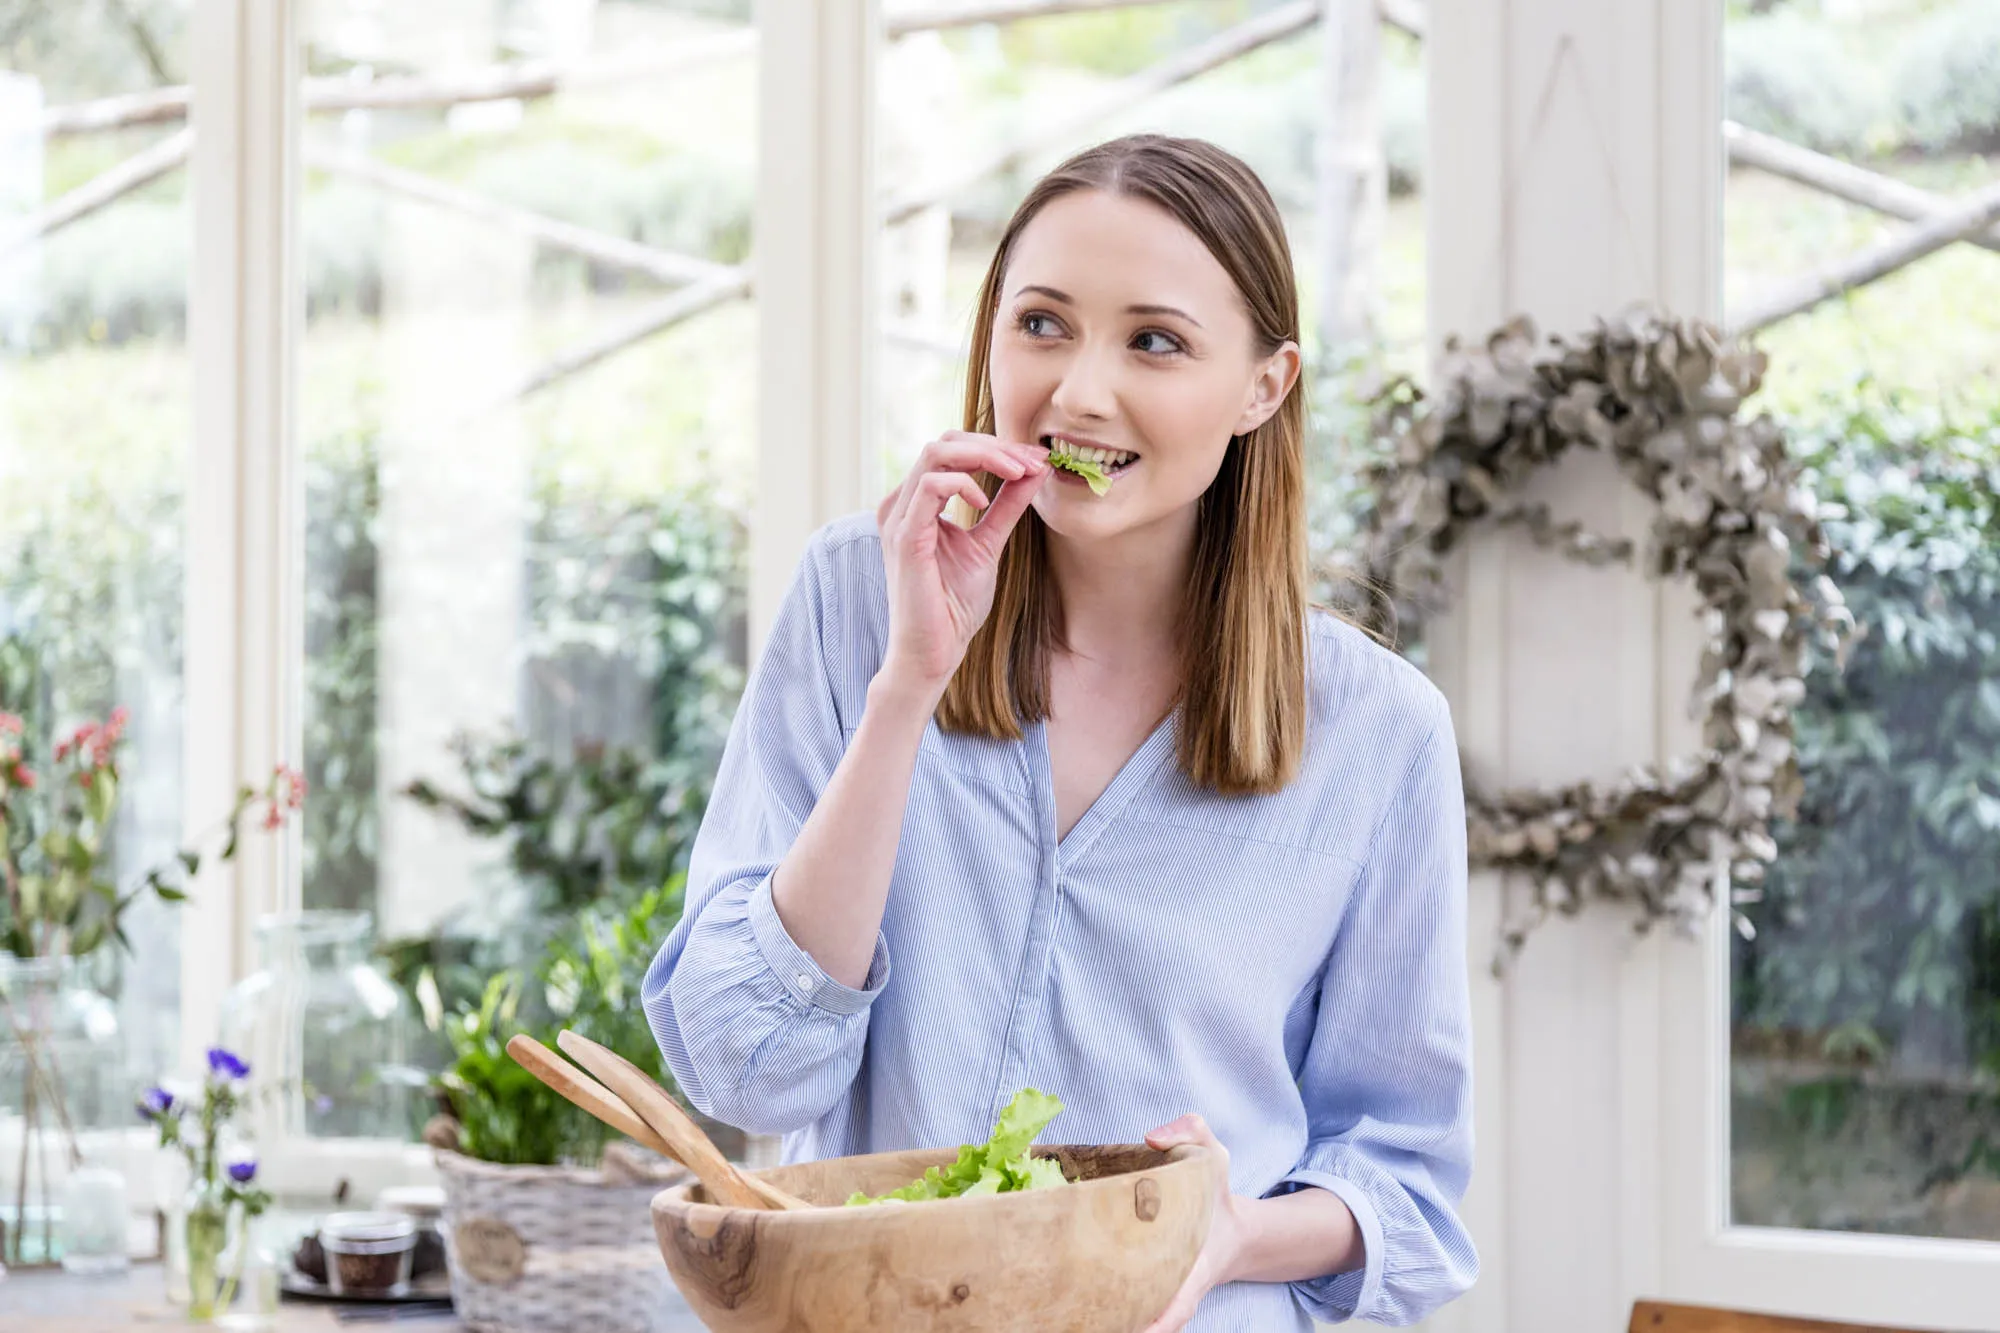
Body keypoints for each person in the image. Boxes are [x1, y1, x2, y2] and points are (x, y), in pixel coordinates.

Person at [643, 133, 1476, 1330]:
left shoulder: (1378, 734)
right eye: (1039, 323)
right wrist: (905, 689)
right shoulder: (855, 597)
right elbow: (743, 1068)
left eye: (1154, 340)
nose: (1078, 391)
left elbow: (1406, 1186)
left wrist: (1233, 1231)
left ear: (1263, 385)